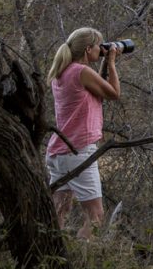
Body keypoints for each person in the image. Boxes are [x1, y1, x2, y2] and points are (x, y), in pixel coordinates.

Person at [45, 27, 120, 239]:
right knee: (95, 217)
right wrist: (112, 63)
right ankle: (84, 261)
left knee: (58, 212)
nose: (102, 49)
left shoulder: (62, 71)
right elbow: (113, 93)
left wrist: (105, 62)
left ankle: (51, 255)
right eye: (99, 46)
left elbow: (97, 90)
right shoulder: (81, 72)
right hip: (78, 152)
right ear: (88, 49)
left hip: (58, 152)